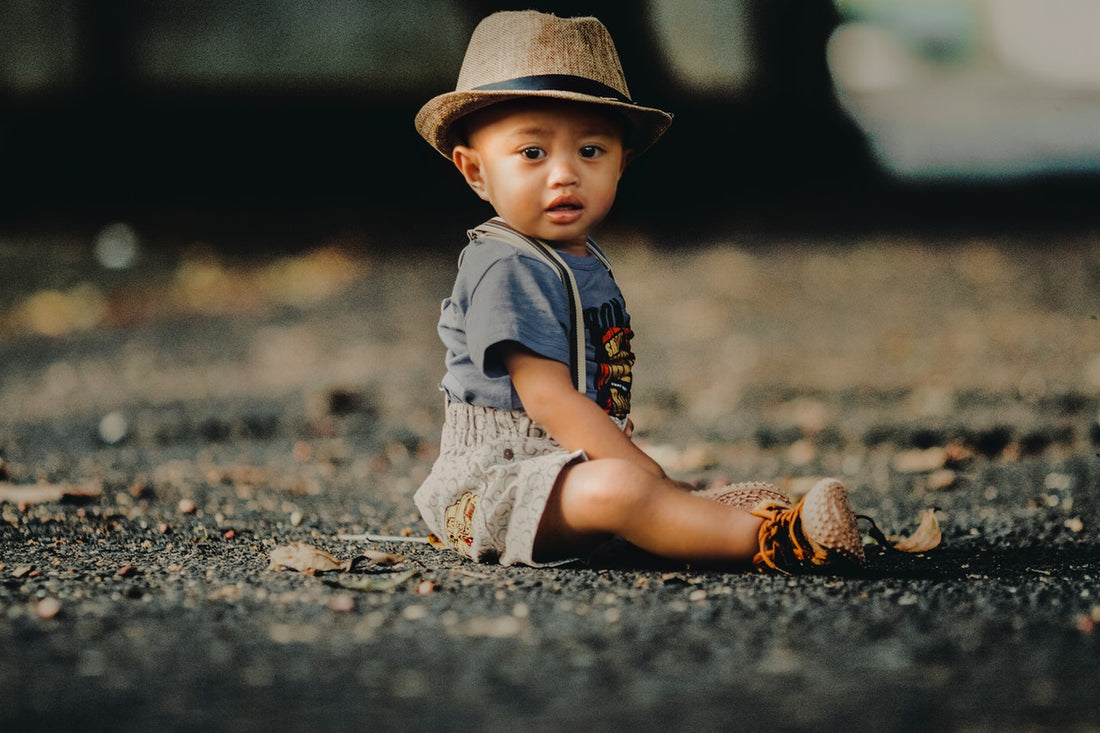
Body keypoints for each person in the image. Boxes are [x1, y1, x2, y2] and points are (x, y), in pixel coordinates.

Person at [412, 10, 865, 573]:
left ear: (621, 163)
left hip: (564, 467)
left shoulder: (580, 259)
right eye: (532, 153)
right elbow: (548, 398)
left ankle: (696, 517)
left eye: (591, 151)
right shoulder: (505, 265)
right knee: (621, 490)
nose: (564, 174)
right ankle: (776, 541)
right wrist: (642, 471)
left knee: (628, 486)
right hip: (493, 490)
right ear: (475, 172)